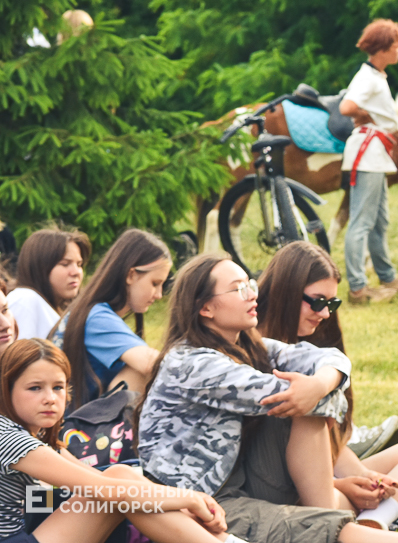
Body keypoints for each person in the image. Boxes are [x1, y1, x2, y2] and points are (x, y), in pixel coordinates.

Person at [136, 253, 398, 543]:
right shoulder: (195, 363)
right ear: (205, 307)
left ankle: (367, 519)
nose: (252, 294)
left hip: (251, 482)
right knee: (325, 519)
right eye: (237, 289)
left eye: (250, 283)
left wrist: (321, 384)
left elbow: (331, 360)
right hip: (204, 504)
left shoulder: (251, 346)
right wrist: (322, 395)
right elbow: (294, 398)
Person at [256, 241, 398, 535]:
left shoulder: (309, 347)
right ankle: (382, 518)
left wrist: (368, 480)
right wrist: (340, 484)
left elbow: (328, 443)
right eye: (317, 302)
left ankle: (375, 520)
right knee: (332, 504)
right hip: (284, 491)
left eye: (332, 304)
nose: (325, 313)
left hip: (319, 475)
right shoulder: (253, 350)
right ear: (286, 293)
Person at [0, 338, 248, 543]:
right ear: (6, 388)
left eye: (58, 387)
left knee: (120, 476)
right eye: (35, 388)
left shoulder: (36, 435)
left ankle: (223, 540)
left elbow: (95, 481)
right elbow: (106, 490)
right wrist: (191, 498)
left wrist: (182, 503)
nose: (50, 398)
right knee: (116, 489)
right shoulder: (10, 438)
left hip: (27, 516)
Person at [53, 229, 170, 408]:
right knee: (141, 370)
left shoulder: (92, 311)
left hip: (76, 424)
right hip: (76, 429)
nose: (159, 295)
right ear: (130, 275)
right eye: (155, 283)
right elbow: (151, 364)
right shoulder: (96, 317)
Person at [339, 20, 398, 305]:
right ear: (383, 48)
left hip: (376, 155)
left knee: (379, 220)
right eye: (396, 46)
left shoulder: (376, 75)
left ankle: (386, 275)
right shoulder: (368, 78)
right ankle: (357, 287)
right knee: (362, 221)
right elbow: (347, 107)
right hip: (369, 154)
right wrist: (364, 115)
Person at [7, 228, 91, 339]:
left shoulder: (54, 306)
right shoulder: (24, 299)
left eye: (79, 264)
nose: (76, 272)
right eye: (65, 264)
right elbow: (20, 355)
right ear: (40, 267)